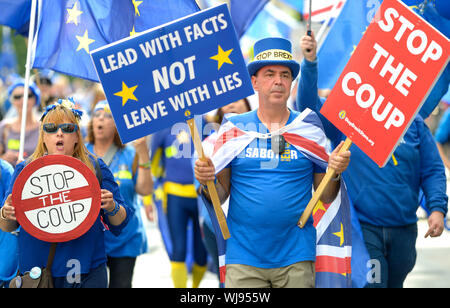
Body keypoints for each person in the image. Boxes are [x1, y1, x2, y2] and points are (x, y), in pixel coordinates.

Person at [194, 37, 351, 288]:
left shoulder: (308, 127)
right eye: (269, 74)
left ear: (291, 82)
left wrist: (334, 172)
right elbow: (219, 196)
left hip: (296, 257)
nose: (278, 81)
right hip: (243, 257)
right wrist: (207, 181)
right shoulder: (234, 128)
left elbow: (327, 196)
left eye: (285, 75)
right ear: (254, 82)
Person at [296, 31, 448, 288]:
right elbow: (308, 107)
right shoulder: (348, 112)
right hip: (362, 228)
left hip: (404, 228)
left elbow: (432, 170)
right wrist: (309, 64)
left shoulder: (414, 122)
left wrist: (437, 209)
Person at [0, 98, 133, 288]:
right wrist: (7, 213)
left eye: (67, 128)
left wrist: (111, 206)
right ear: (43, 137)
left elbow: (121, 222)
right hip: (38, 275)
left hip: (87, 272)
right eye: (51, 128)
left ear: (77, 136)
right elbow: (7, 225)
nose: (59, 133)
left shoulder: (95, 168)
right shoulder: (25, 171)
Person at [85, 100, 152, 288]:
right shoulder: (81, 153)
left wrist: (144, 154)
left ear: (117, 124)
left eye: (107, 116)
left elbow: (145, 190)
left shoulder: (130, 154)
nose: (100, 119)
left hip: (125, 237)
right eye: (97, 114)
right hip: (91, 240)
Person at [196, 99, 252, 283]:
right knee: (226, 280)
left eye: (238, 100)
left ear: (248, 107)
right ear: (220, 111)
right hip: (216, 226)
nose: (232, 104)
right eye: (226, 102)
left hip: (252, 227)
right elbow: (201, 187)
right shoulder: (205, 145)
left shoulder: (264, 138)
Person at [151, 122, 208, 288]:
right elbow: (153, 161)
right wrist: (152, 193)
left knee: (202, 253)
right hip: (174, 196)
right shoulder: (163, 127)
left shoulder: (204, 122)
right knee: (179, 250)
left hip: (201, 197)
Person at [0, 79, 41, 166]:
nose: (23, 100)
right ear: (12, 101)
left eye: (28, 96)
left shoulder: (44, 127)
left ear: (35, 99)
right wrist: (4, 159)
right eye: (17, 97)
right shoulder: (5, 127)